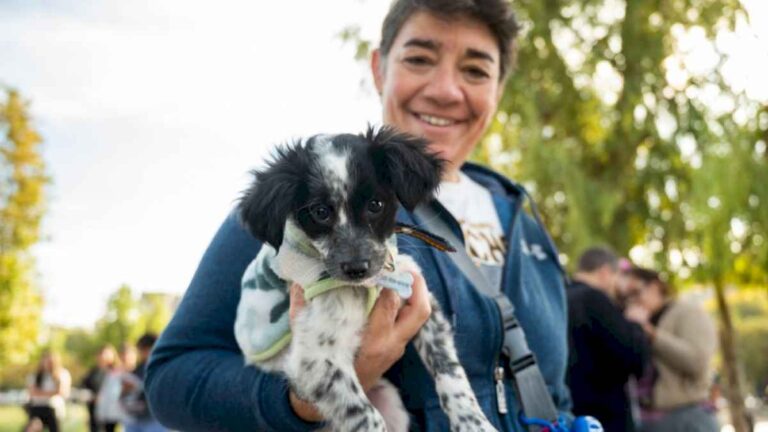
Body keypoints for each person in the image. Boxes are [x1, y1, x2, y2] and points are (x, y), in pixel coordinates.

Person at [145, 0, 573, 430]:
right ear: (379, 68)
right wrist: (305, 400)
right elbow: (170, 380)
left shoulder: (525, 223)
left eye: (476, 70)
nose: (445, 89)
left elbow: (556, 392)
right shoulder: (296, 200)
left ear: (499, 87)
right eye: (420, 59)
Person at [624, 267, 718, 432]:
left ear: (654, 287)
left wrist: (652, 335)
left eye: (636, 293)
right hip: (649, 420)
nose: (633, 301)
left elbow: (697, 361)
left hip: (688, 417)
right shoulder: (637, 321)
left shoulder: (687, 312)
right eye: (627, 297)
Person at [566, 247, 650, 432]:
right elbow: (632, 357)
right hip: (605, 416)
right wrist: (636, 326)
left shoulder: (560, 297)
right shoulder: (595, 299)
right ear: (605, 272)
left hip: (571, 414)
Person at [121, 333, 167, 432]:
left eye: (143, 349)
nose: (141, 353)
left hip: (154, 419)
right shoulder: (136, 371)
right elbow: (123, 396)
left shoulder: (163, 368)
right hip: (135, 417)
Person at [24, 350, 72, 432]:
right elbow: (32, 392)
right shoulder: (36, 376)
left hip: (54, 408)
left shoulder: (62, 374)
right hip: (37, 407)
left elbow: (62, 392)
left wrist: (40, 392)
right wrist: (52, 392)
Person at [81, 345, 117, 432]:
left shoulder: (115, 372)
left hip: (111, 411)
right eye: (100, 354)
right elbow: (84, 387)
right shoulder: (92, 372)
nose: (102, 357)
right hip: (94, 410)